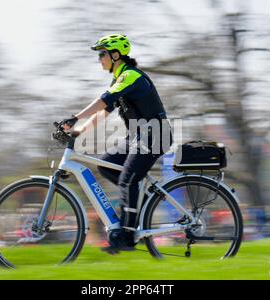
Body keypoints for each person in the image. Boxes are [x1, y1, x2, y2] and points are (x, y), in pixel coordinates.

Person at [60, 33, 172, 254]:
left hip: (155, 134)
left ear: (115, 55)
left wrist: (75, 116)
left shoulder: (130, 76)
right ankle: (142, 203)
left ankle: (127, 237)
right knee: (106, 165)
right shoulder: (119, 79)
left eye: (102, 54)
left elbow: (104, 100)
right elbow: (104, 111)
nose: (99, 59)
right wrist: (79, 131)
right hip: (140, 135)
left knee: (128, 180)